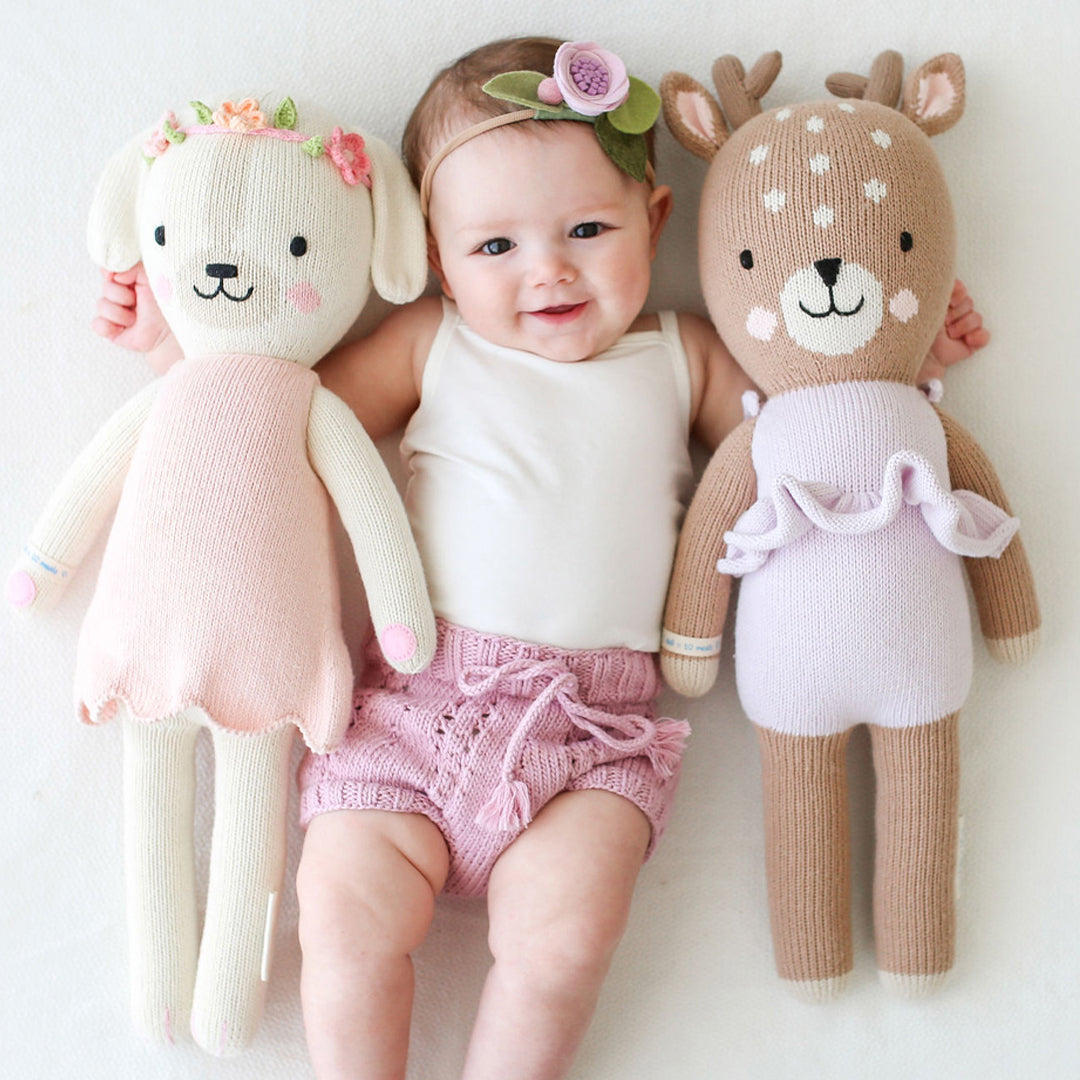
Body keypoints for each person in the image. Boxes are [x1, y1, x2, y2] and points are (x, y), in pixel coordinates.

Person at [92, 37, 988, 1080]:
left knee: (562, 945)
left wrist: (907, 353)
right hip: (413, 713)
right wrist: (172, 348)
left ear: (654, 223)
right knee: (342, 920)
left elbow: (805, 405)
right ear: (435, 257)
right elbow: (281, 414)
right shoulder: (431, 343)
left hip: (591, 738)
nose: (547, 269)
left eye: (587, 229)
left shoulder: (679, 353)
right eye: (495, 248)